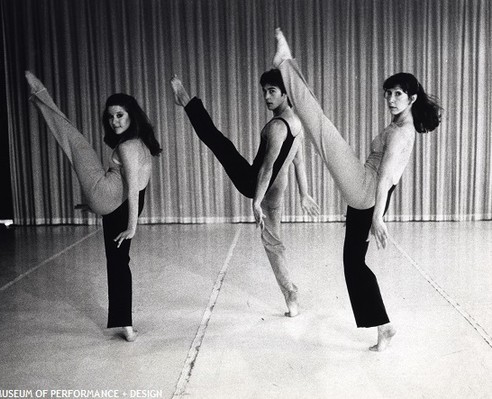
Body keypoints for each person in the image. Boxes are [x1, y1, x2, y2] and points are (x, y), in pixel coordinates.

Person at [272, 28, 441, 350]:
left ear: (412, 98)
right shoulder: (400, 127)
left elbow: (386, 177)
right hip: (366, 192)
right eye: (388, 93)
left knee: (321, 128)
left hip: (367, 191)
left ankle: (285, 63)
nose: (391, 100)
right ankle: (384, 327)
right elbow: (387, 180)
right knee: (353, 263)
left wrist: (377, 217)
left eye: (398, 95)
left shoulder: (401, 134)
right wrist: (376, 211)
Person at [25, 71, 162, 342]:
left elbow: (133, 186)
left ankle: (41, 96)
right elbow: (134, 188)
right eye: (111, 116)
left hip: (115, 200)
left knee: (75, 143)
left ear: (131, 114)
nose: (114, 121)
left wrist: (131, 226)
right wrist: (97, 203)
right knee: (119, 262)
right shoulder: (141, 143)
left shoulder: (128, 147)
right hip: (113, 200)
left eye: (120, 115)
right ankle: (126, 325)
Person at [171, 69, 319, 317]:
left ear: (285, 94)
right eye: (264, 92)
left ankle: (186, 100)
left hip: (255, 184)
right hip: (276, 192)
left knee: (218, 141)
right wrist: (304, 194)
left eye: (272, 91)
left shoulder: (275, 127)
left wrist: (256, 201)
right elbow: (297, 161)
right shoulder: (297, 124)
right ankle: (290, 296)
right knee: (273, 244)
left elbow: (266, 168)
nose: (267, 97)